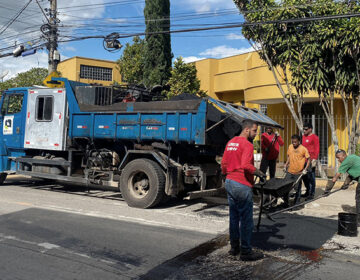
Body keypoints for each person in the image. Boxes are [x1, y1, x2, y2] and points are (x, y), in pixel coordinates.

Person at [221, 119, 265, 261]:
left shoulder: (231, 141)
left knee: (234, 217)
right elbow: (246, 165)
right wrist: (258, 172)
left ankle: (234, 248)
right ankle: (246, 252)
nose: (255, 134)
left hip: (229, 182)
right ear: (246, 129)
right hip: (241, 183)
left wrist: (226, 175)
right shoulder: (247, 144)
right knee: (246, 220)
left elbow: (223, 163)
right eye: (254, 131)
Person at [324, 150, 360, 225]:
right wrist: (346, 184)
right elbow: (352, 174)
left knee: (358, 199)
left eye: (339, 158)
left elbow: (336, 177)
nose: (338, 160)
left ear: (343, 155)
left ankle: (359, 220)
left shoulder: (345, 162)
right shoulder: (352, 157)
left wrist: (327, 190)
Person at [283, 134, 311, 207]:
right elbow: (289, 156)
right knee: (285, 187)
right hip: (290, 171)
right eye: (293, 142)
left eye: (295, 142)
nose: (294, 143)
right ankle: (286, 202)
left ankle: (296, 203)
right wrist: (286, 164)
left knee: (297, 188)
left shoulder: (303, 149)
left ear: (299, 141)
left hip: (298, 172)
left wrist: (305, 169)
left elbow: (308, 159)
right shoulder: (290, 147)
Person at [302, 123, 320, 200]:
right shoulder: (303, 137)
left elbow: (317, 148)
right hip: (303, 160)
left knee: (311, 177)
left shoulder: (315, 137)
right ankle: (307, 191)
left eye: (306, 129)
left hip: (311, 159)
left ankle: (311, 194)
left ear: (310, 129)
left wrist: (314, 159)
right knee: (304, 176)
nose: (304, 131)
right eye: (304, 129)